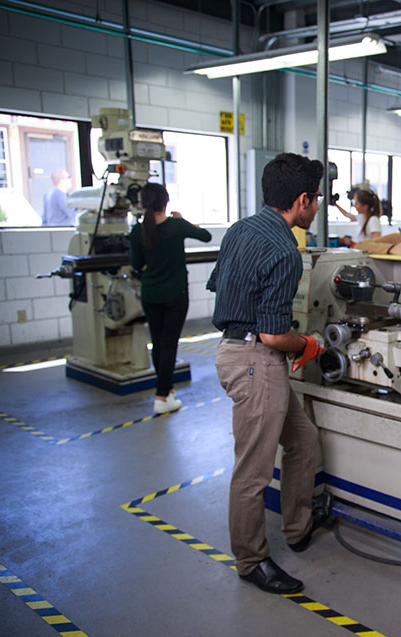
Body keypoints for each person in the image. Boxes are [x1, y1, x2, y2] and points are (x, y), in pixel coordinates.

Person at [206, 152, 328, 596]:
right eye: (316, 198)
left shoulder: (240, 229)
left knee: (303, 439)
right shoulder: (285, 251)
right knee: (253, 474)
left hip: (236, 348)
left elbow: (222, 285)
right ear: (301, 201)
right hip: (256, 362)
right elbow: (277, 337)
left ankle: (297, 526)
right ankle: (252, 561)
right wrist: (309, 344)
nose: (317, 206)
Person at [129, 183, 211, 414]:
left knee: (157, 342)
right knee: (169, 344)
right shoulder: (176, 226)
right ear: (166, 203)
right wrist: (185, 220)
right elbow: (205, 236)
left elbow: (136, 264)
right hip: (175, 294)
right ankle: (162, 396)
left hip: (150, 294)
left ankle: (167, 390)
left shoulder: (138, 231)